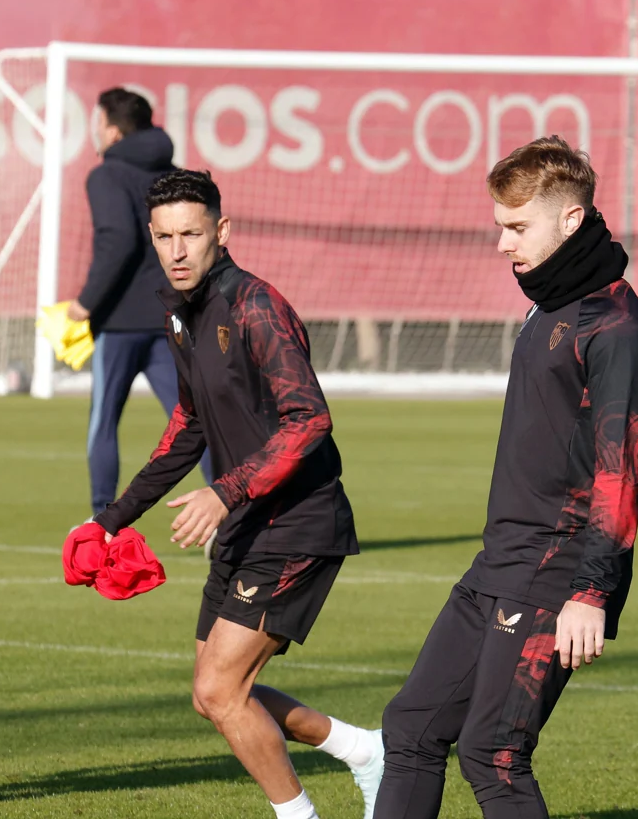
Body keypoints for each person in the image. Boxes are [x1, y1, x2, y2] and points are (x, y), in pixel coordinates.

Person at [372, 136, 638, 819]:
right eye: (501, 224)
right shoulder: (548, 303)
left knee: (493, 755)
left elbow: (621, 473)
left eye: (517, 226)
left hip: (555, 572)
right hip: (499, 560)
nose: (503, 243)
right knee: (411, 727)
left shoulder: (614, 327)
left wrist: (590, 592)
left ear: (571, 219)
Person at [93, 169, 384, 819]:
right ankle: (365, 752)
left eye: (191, 234)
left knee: (220, 689)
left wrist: (223, 494)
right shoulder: (177, 310)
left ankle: (298, 815)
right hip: (250, 522)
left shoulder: (256, 307)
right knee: (213, 694)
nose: (177, 250)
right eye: (165, 236)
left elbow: (308, 419)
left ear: (221, 232)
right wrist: (112, 519)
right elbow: (189, 423)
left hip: (298, 522)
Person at [66, 87, 210, 517]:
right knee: (197, 421)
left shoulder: (107, 175)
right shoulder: (176, 176)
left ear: (111, 130)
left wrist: (86, 303)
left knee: (104, 421)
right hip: (174, 315)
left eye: (97, 123)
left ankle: (101, 518)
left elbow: (118, 241)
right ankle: (234, 513)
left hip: (122, 320)